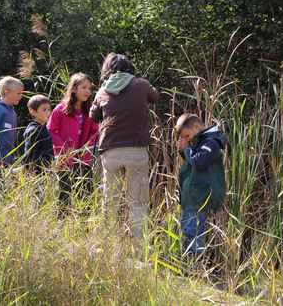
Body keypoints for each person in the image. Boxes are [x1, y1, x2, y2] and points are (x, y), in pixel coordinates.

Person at [89, 53, 159, 245]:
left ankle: (109, 246)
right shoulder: (141, 85)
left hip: (110, 151)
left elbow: (93, 116)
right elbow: (155, 97)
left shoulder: (102, 91)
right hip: (136, 150)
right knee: (138, 203)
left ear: (106, 71)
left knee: (110, 201)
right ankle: (140, 249)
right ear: (130, 68)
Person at [175, 113, 227, 264]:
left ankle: (197, 268)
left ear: (196, 127)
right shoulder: (200, 140)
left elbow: (198, 162)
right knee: (187, 229)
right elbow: (193, 163)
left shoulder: (211, 141)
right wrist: (183, 151)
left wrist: (187, 149)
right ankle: (190, 265)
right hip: (192, 196)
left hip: (200, 195)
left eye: (188, 135)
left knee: (194, 231)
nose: (188, 139)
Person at [47, 73, 99, 216]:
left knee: (85, 196)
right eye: (84, 87)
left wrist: (87, 146)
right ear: (74, 88)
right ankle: (62, 227)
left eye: (89, 88)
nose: (88, 91)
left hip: (84, 160)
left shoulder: (91, 109)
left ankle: (85, 228)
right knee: (64, 197)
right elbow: (50, 130)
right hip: (65, 160)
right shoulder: (61, 109)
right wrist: (64, 149)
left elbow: (95, 131)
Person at [22, 94, 54, 203]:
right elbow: (29, 155)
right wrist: (45, 164)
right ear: (34, 113)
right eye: (44, 110)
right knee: (36, 203)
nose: (48, 112)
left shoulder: (45, 129)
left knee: (44, 202)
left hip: (44, 173)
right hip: (34, 175)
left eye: (49, 109)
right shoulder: (33, 130)